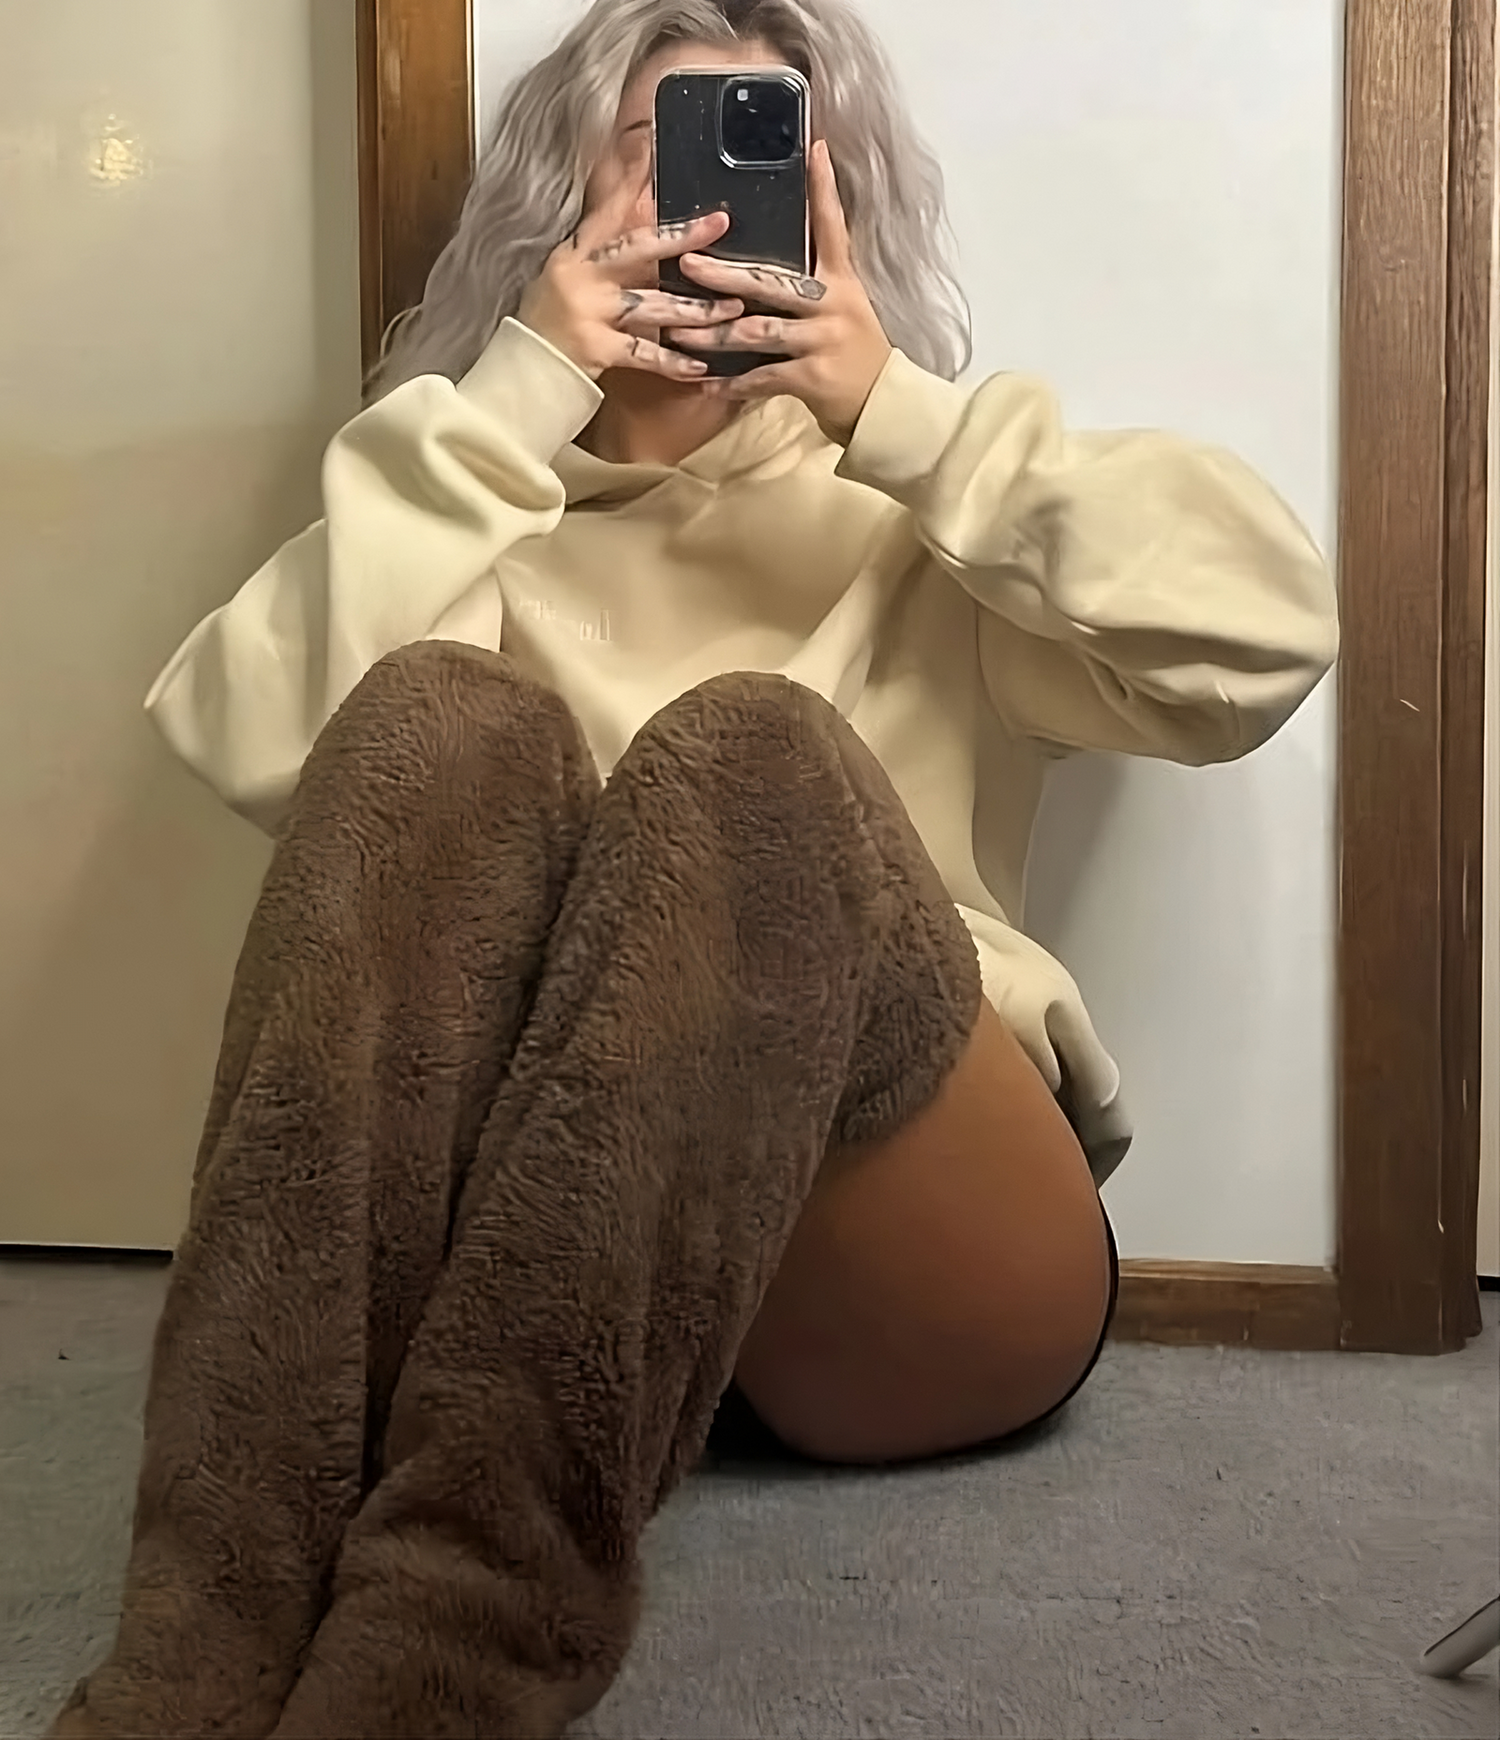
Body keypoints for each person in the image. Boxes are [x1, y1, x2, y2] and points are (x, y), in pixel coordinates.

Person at [53, 0, 1338, 1734]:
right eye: (661, 163)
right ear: (558, 208)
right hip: (550, 1291)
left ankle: (446, 1672)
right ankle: (198, 1650)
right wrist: (516, 394)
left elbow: (1266, 642)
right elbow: (247, 738)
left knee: (747, 758)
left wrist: (903, 415)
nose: (709, 216)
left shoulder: (923, 519)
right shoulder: (471, 515)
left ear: (836, 206)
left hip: (923, 1260)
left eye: (761, 163)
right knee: (428, 718)